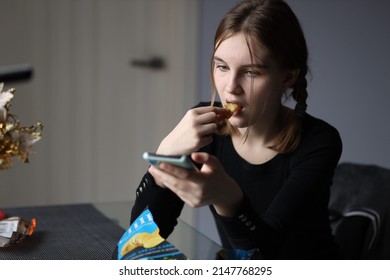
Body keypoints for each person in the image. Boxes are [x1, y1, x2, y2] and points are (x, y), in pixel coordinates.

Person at [130, 0, 342, 259]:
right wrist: (164, 157)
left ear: (287, 77)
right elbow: (141, 240)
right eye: (222, 66)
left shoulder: (319, 141)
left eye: (251, 72)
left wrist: (228, 199)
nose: (231, 87)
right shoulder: (205, 129)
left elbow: (264, 254)